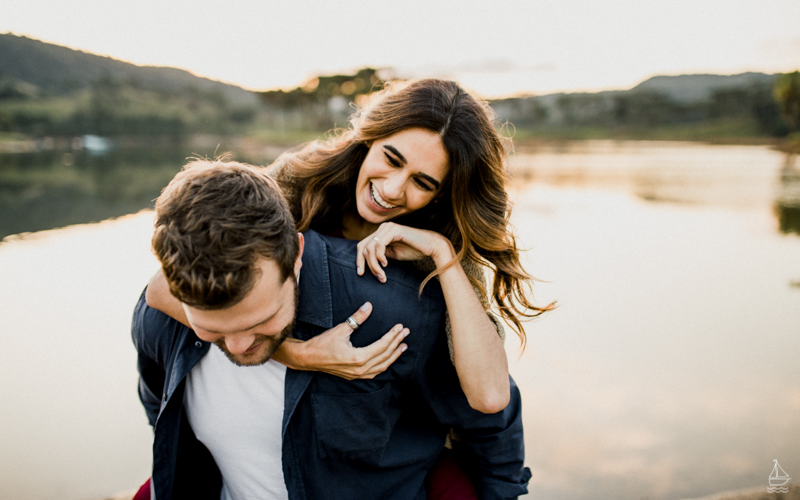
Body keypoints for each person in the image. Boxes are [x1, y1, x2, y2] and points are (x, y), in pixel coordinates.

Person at [146, 78, 553, 415]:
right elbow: (161, 289)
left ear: (440, 195)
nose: (392, 190)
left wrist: (443, 255)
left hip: (384, 429)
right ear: (369, 139)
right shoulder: (299, 180)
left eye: (422, 182)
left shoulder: (442, 235)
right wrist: (301, 355)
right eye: (391, 159)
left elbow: (491, 394)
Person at [132, 159, 531, 499]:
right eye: (212, 330)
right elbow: (162, 411)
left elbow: (493, 431)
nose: (237, 345)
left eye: (260, 321)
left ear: (297, 256)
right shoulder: (162, 317)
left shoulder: (397, 309)